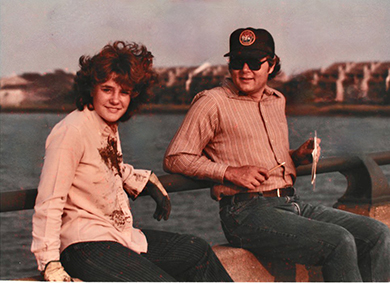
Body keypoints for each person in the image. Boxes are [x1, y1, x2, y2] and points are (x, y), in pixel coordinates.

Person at [164, 27, 390, 282]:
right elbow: (176, 157)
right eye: (237, 62)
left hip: (291, 204)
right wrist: (228, 172)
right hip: (246, 213)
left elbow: (266, 153)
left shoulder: (277, 100)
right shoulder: (211, 102)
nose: (245, 70)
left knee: (377, 234)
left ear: (271, 65)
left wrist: (297, 155)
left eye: (254, 62)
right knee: (339, 242)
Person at [31, 41, 232, 282]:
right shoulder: (71, 130)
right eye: (107, 89)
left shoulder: (105, 125)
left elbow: (103, 166)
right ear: (91, 89)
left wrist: (142, 179)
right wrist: (49, 262)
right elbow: (49, 200)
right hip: (83, 246)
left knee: (197, 250)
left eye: (124, 92)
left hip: (114, 235)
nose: (115, 99)